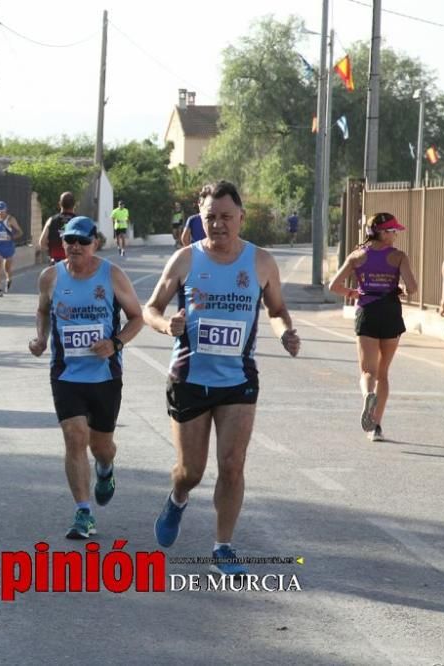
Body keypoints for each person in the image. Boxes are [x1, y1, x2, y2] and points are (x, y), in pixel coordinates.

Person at [143, 180, 300, 576]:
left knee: (232, 465)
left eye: (226, 217)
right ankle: (178, 498)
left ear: (241, 218)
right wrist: (166, 326)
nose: (218, 225)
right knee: (190, 471)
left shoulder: (261, 262)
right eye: (210, 217)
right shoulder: (185, 260)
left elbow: (277, 309)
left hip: (238, 380)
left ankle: (223, 547)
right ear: (201, 218)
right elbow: (151, 308)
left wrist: (284, 331)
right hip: (190, 378)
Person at [29, 216, 143, 539]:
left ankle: (105, 469)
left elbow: (137, 317)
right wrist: (40, 338)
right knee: (74, 436)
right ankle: (84, 512)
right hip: (66, 374)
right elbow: (42, 311)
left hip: (105, 375)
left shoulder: (112, 275)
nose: (75, 246)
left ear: (95, 242)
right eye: (69, 240)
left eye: (82, 240)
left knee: (101, 445)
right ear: (62, 242)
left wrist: (115, 342)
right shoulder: (50, 277)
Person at [327, 212, 417, 442]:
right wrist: (401, 290)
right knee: (383, 374)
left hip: (367, 312)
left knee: (368, 372)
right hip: (390, 312)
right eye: (392, 231)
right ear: (382, 232)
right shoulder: (398, 257)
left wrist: (352, 293)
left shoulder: (357, 256)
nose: (396, 235)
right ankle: (375, 426)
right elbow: (413, 287)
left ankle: (368, 395)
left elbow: (333, 285)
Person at [0, 201, 23, 296]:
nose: (0, 213)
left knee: (7, 268)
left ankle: (9, 279)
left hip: (8, 247)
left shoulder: (11, 219)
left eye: (2, 211)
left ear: (6, 210)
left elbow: (20, 232)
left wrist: (11, 237)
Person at [38, 191, 76, 264]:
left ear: (59, 204)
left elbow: (42, 242)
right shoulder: (78, 221)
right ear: (74, 205)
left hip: (56, 262)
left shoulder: (51, 220)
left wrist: (51, 253)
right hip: (73, 263)